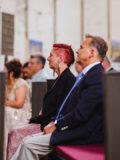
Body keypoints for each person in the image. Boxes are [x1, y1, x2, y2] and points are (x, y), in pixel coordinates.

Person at [11, 35, 108, 160]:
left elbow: (81, 113)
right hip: (71, 126)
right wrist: (54, 122)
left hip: (82, 132)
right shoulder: (88, 74)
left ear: (92, 52)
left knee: (28, 144)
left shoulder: (96, 76)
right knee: (27, 140)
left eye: (81, 47)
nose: (77, 51)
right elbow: (70, 108)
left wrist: (57, 125)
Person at [29, 43, 76, 130]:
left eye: (51, 55)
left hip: (52, 128)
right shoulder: (60, 79)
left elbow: (62, 112)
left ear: (61, 58)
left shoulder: (68, 80)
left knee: (14, 134)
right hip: (47, 125)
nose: (48, 58)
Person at [4, 59, 32, 156]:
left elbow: (19, 103)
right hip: (11, 112)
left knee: (5, 111)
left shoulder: (21, 83)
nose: (3, 72)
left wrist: (3, 102)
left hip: (21, 114)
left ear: (11, 73)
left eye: (5, 70)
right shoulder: (6, 84)